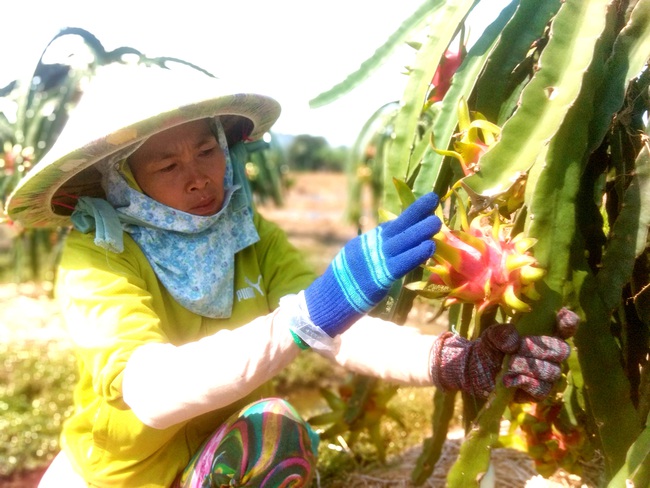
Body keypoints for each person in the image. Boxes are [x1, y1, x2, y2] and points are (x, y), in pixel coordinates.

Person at [5, 63, 573, 488]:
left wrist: (454, 361)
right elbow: (152, 394)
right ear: (120, 180)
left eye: (206, 150)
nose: (199, 178)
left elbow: (340, 328)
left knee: (276, 432)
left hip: (218, 464)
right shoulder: (99, 257)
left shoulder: (249, 237)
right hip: (114, 479)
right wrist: (302, 318)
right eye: (168, 166)